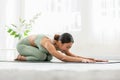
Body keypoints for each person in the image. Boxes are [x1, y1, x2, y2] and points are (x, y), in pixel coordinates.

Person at [15, 33, 108, 63]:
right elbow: (62, 58)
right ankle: (21, 57)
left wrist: (93, 60)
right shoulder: (48, 44)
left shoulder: (61, 46)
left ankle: (32, 55)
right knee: (42, 56)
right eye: (67, 46)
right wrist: (82, 61)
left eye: (69, 47)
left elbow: (73, 56)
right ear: (60, 42)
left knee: (49, 57)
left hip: (34, 48)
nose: (68, 49)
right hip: (23, 46)